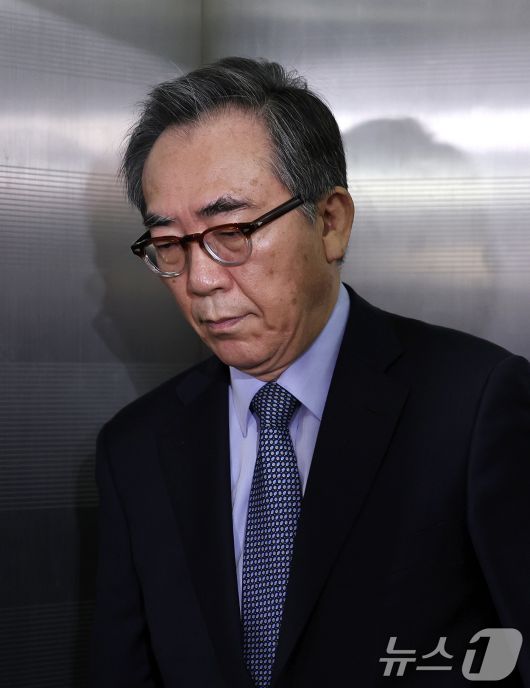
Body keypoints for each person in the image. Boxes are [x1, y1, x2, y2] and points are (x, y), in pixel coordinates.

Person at [90, 57, 530, 687]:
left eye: (232, 231)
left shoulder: (475, 406)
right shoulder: (136, 450)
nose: (201, 279)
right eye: (168, 244)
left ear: (330, 223)